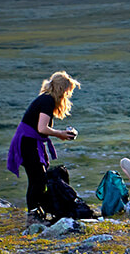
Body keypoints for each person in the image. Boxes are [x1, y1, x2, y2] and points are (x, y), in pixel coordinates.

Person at [7, 71, 80, 225]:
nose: (68, 95)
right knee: (38, 179)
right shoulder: (47, 101)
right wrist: (60, 134)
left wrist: (59, 134)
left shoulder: (45, 99)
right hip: (28, 142)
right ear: (62, 89)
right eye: (67, 91)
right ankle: (33, 217)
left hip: (29, 141)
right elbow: (42, 128)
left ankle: (35, 213)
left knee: (37, 179)